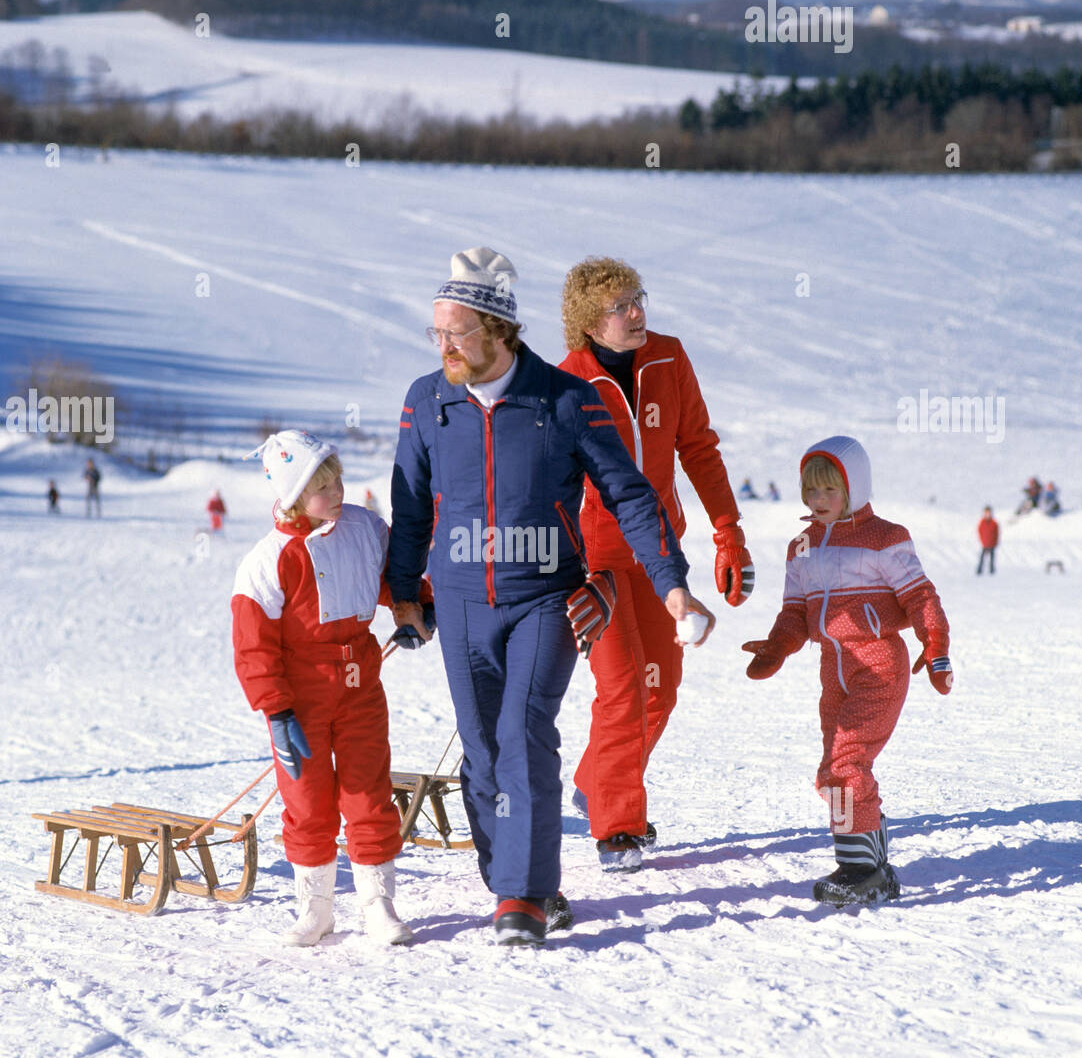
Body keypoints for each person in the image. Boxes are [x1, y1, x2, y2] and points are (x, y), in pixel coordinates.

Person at [388, 247, 713, 946]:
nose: (443, 346)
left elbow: (630, 494)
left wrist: (674, 588)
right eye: (435, 333)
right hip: (462, 600)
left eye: (457, 333)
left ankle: (523, 897)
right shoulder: (427, 401)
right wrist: (403, 596)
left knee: (524, 733)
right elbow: (412, 506)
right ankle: (512, 871)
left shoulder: (566, 400)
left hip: (547, 598)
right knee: (479, 751)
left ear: (501, 331)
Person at [557, 257, 751, 873]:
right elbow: (548, 489)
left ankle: (596, 783)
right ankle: (618, 828)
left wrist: (728, 531)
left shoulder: (669, 357)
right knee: (620, 691)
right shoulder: (567, 383)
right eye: (621, 307)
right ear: (590, 322)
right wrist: (566, 572)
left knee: (658, 692)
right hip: (599, 564)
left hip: (662, 556)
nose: (637, 313)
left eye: (639, 298)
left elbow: (697, 445)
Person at [741, 435, 951, 907]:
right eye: (810, 491)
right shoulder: (801, 546)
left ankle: (860, 871)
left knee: (846, 764)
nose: (817, 501)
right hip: (832, 668)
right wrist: (778, 647)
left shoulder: (884, 537)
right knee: (831, 772)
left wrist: (935, 644)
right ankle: (871, 865)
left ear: (854, 488)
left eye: (828, 491)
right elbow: (795, 611)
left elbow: (920, 596)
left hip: (877, 663)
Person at [231, 429, 422, 947]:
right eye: (322, 487)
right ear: (293, 497)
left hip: (360, 685)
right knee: (308, 800)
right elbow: (253, 644)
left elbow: (397, 576)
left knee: (367, 790)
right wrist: (276, 710)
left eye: (337, 480)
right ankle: (315, 908)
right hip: (300, 698)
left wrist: (413, 610)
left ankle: (378, 905)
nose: (337, 493)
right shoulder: (268, 560)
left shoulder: (364, 528)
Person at [977, 505, 999, 574]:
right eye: (986, 513)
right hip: (984, 543)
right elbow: (979, 531)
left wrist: (995, 542)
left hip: (992, 543)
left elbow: (996, 534)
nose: (987, 514)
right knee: (982, 558)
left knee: (992, 559)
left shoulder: (994, 523)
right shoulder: (982, 522)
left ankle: (991, 570)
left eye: (989, 513)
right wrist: (982, 540)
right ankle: (979, 570)